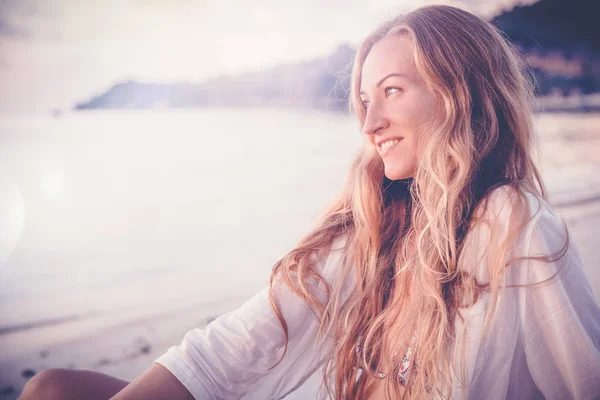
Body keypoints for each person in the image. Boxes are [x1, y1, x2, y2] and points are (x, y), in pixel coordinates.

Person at [19, 4, 600, 400]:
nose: (370, 122)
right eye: (365, 100)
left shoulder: (514, 225)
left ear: (460, 93)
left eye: (392, 91)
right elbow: (241, 342)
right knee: (52, 388)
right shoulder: (377, 224)